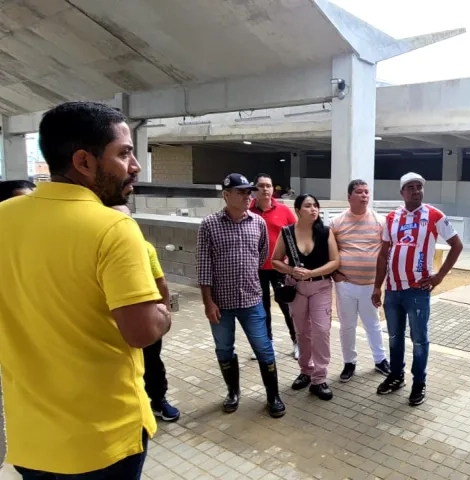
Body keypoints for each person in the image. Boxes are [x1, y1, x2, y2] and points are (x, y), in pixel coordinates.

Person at [0, 101, 171, 478]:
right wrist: (163, 300)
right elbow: (143, 331)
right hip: (103, 441)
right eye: (124, 153)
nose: (135, 166)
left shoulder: (3, 218)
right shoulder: (112, 228)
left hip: (32, 439)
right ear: (84, 162)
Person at [197, 173, 286, 418]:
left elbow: (261, 256)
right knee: (224, 349)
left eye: (249, 192)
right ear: (226, 195)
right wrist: (208, 302)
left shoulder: (257, 223)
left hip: (251, 300)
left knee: (263, 348)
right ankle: (233, 392)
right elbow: (204, 266)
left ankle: (273, 396)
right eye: (241, 192)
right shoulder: (209, 225)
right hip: (220, 303)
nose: (248, 196)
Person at [372, 172, 464, 406]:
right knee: (394, 337)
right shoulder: (391, 218)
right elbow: (383, 254)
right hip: (393, 290)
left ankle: (419, 383)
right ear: (402, 192)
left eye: (419, 187)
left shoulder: (434, 215)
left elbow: (456, 244)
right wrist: (377, 287)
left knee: (419, 340)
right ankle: (396, 376)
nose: (416, 191)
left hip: (417, 291)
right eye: (410, 187)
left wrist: (439, 276)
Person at [112, 204, 181, 422]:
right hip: (113, 319)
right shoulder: (96, 248)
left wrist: (165, 312)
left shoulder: (145, 248)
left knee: (152, 361)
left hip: (145, 314)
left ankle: (158, 401)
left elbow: (160, 281)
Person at [271, 194, 340, 400]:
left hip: (321, 287)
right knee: (302, 332)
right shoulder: (287, 233)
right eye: (308, 206)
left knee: (321, 330)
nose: (313, 209)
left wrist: (312, 273)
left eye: (315, 206)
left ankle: (319, 378)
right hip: (298, 288)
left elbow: (335, 262)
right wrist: (292, 270)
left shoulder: (325, 232)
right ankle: (305, 371)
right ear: (298, 210)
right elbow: (275, 260)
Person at [330, 180, 391, 382]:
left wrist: (379, 285)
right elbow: (329, 250)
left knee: (372, 324)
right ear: (349, 197)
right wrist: (334, 274)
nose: (364, 195)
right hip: (345, 284)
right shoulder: (336, 222)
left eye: (366, 192)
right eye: (359, 192)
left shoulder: (380, 221)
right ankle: (349, 362)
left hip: (370, 286)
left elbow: (385, 252)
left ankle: (380, 360)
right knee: (347, 325)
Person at [249, 173, 300, 361]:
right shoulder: (248, 210)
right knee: (262, 309)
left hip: (280, 267)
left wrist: (294, 263)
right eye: (261, 186)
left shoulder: (284, 210)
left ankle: (297, 342)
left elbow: (296, 235)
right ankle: (266, 343)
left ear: (273, 189)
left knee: (287, 306)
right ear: (255, 189)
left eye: (268, 186)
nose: (265, 189)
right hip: (256, 270)